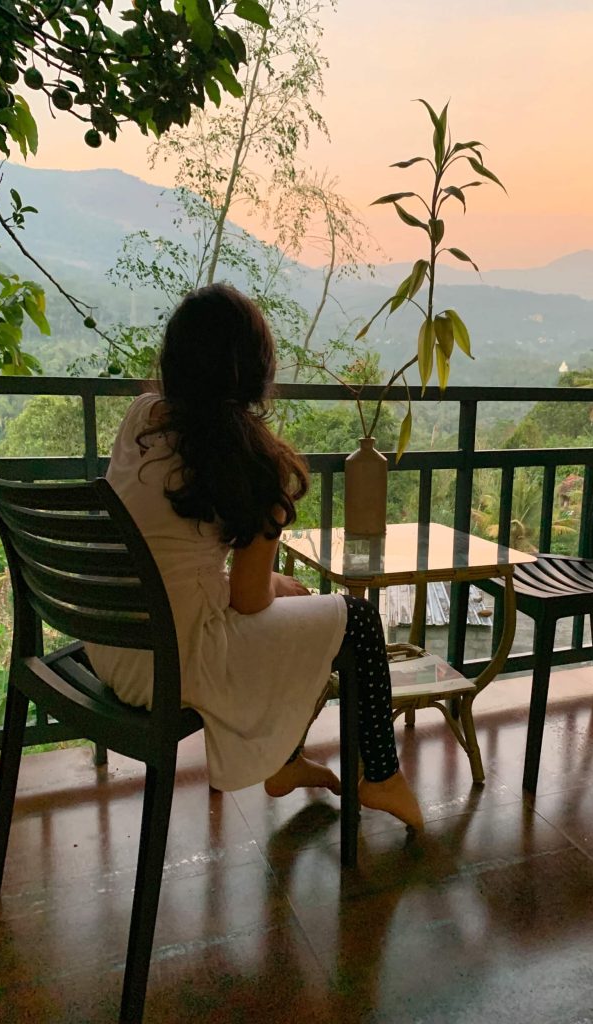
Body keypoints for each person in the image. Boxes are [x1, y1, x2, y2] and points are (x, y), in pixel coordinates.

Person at [85, 284, 423, 832]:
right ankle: (381, 777)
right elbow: (247, 600)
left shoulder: (143, 419)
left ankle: (286, 761)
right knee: (355, 620)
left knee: (297, 610)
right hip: (173, 660)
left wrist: (264, 590)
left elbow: (173, 555)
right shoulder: (251, 461)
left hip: (114, 641)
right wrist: (272, 590)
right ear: (253, 370)